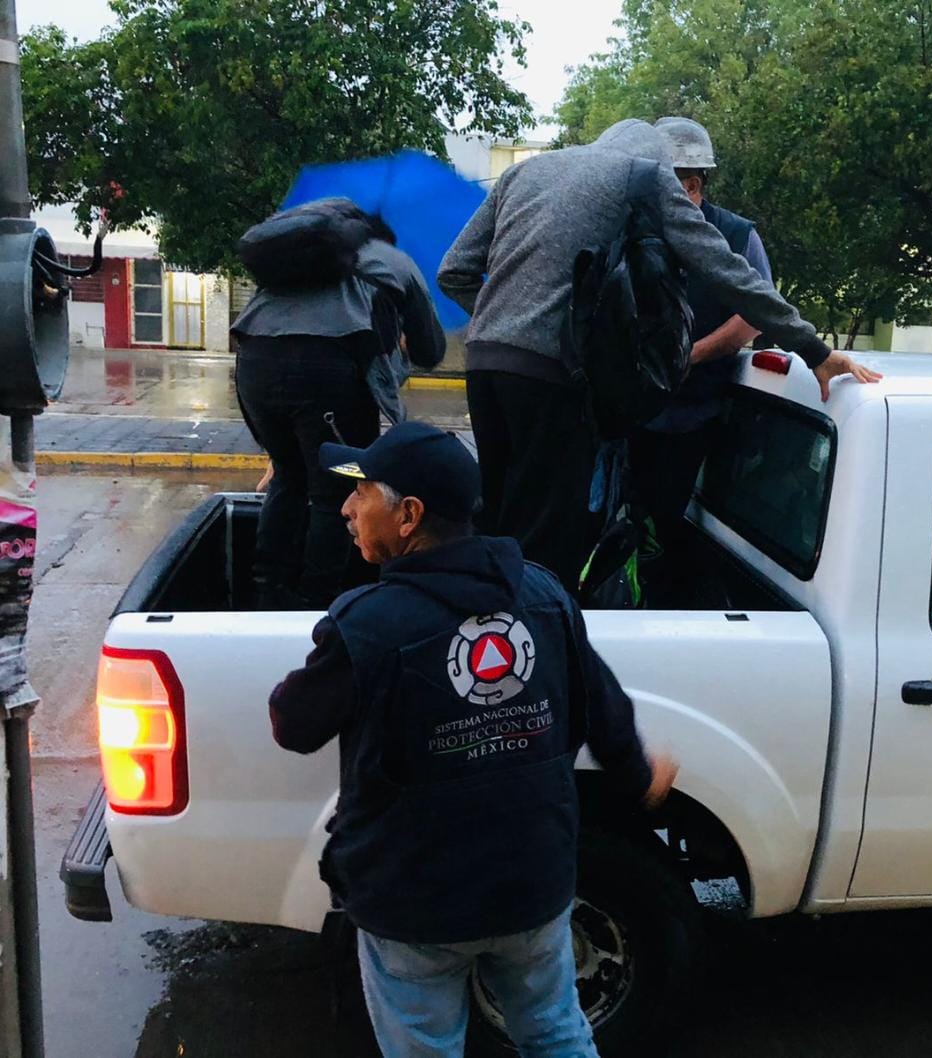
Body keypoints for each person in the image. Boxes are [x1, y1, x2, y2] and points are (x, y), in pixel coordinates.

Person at [267, 421, 678, 1058]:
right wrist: (639, 777)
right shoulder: (544, 595)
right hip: (533, 889)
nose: (346, 507)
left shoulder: (367, 626)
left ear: (408, 515)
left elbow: (292, 726)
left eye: (361, 492)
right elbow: (604, 708)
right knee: (556, 1032)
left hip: (414, 907)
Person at [438, 118, 881, 590]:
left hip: (484, 365)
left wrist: (503, 323)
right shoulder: (643, 177)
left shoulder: (523, 173)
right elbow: (729, 272)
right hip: (552, 380)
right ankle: (535, 648)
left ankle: (477, 637)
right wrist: (812, 348)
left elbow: (454, 272)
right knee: (546, 542)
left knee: (498, 520)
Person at [233, 210, 446, 609]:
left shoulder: (293, 264)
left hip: (252, 361)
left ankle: (267, 594)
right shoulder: (395, 261)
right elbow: (431, 350)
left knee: (288, 476)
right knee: (335, 491)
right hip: (326, 368)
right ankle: (320, 604)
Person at [627, 117, 772, 601]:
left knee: (667, 534)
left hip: (699, 414)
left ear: (692, 185)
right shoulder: (632, 231)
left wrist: (689, 357)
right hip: (631, 413)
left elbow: (753, 315)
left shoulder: (736, 236)